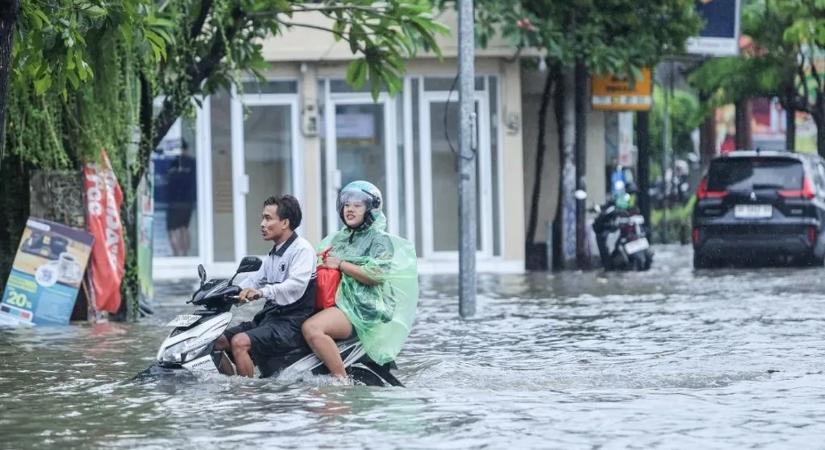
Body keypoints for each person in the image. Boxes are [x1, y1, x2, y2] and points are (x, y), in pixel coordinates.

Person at [301, 180, 418, 381]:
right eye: (347, 205)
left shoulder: (379, 239)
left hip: (360, 309)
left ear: (370, 210)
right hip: (335, 302)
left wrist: (341, 264)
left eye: (357, 205)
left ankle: (341, 381)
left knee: (312, 328)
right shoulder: (339, 238)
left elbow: (376, 275)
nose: (350, 210)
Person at [215, 194, 317, 377]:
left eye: (268, 218)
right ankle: (234, 388)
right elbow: (254, 281)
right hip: (269, 319)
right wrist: (225, 292)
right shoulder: (274, 253)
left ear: (285, 223)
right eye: (263, 218)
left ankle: (249, 395)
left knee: (239, 342)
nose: (262, 223)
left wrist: (261, 293)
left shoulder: (302, 250)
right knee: (216, 341)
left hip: (291, 323)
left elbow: (295, 285)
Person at [166, 140, 197, 256]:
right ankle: (184, 254)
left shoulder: (174, 163)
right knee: (184, 228)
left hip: (174, 202)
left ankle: (177, 253)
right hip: (187, 201)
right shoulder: (192, 163)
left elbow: (169, 184)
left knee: (172, 229)